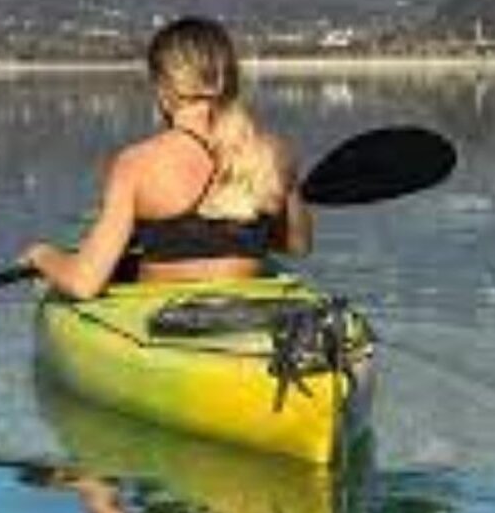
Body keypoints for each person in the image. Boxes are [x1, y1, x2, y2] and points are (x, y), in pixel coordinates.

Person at [20, 16, 312, 300]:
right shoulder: (273, 152)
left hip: (161, 323)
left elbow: (84, 283)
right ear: (229, 78)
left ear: (163, 88)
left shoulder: (136, 163)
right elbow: (297, 245)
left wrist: (43, 256)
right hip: (248, 311)